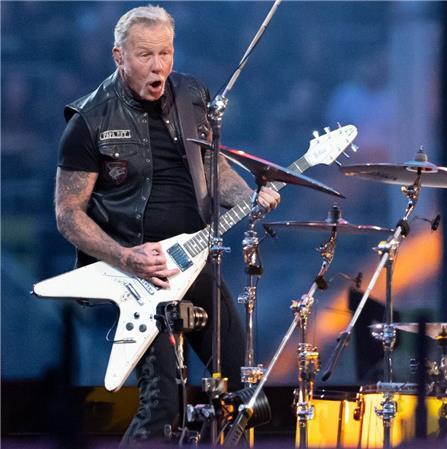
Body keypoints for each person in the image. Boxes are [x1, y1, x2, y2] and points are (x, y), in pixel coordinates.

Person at [54, 6, 280, 445]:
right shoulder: (89, 120)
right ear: (118, 56)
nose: (158, 65)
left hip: (193, 262)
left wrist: (248, 198)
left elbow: (214, 167)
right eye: (145, 55)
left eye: (165, 53)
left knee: (241, 393)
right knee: (163, 403)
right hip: (136, 273)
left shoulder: (193, 94)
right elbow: (67, 214)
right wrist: (126, 256)